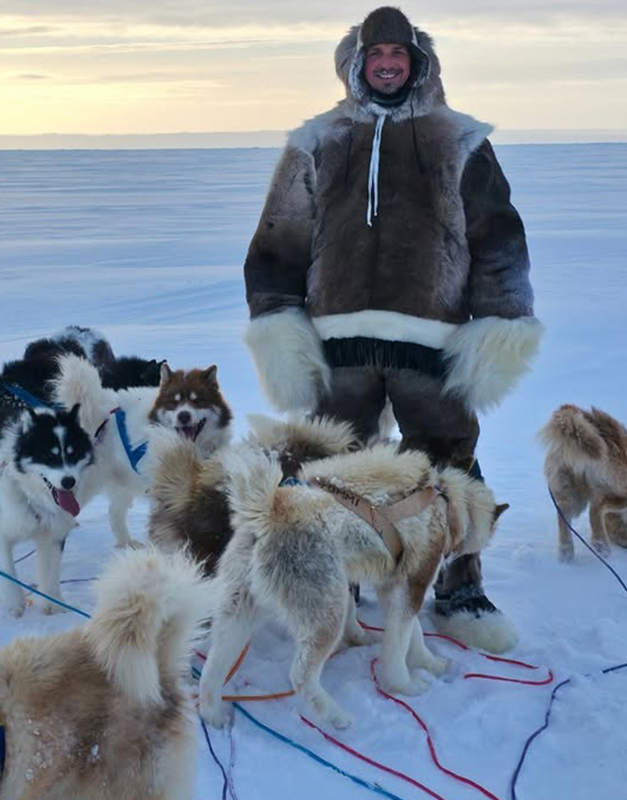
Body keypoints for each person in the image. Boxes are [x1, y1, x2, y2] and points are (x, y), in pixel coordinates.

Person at [241, 6, 542, 653]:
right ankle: (330, 586)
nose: (386, 64)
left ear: (416, 62)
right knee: (327, 466)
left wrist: (498, 324)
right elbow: (277, 241)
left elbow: (498, 238)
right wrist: (277, 317)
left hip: (430, 338)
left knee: (448, 463)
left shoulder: (458, 139)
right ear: (357, 64)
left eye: (398, 56)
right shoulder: (318, 140)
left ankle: (459, 586)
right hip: (338, 339)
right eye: (376, 55)